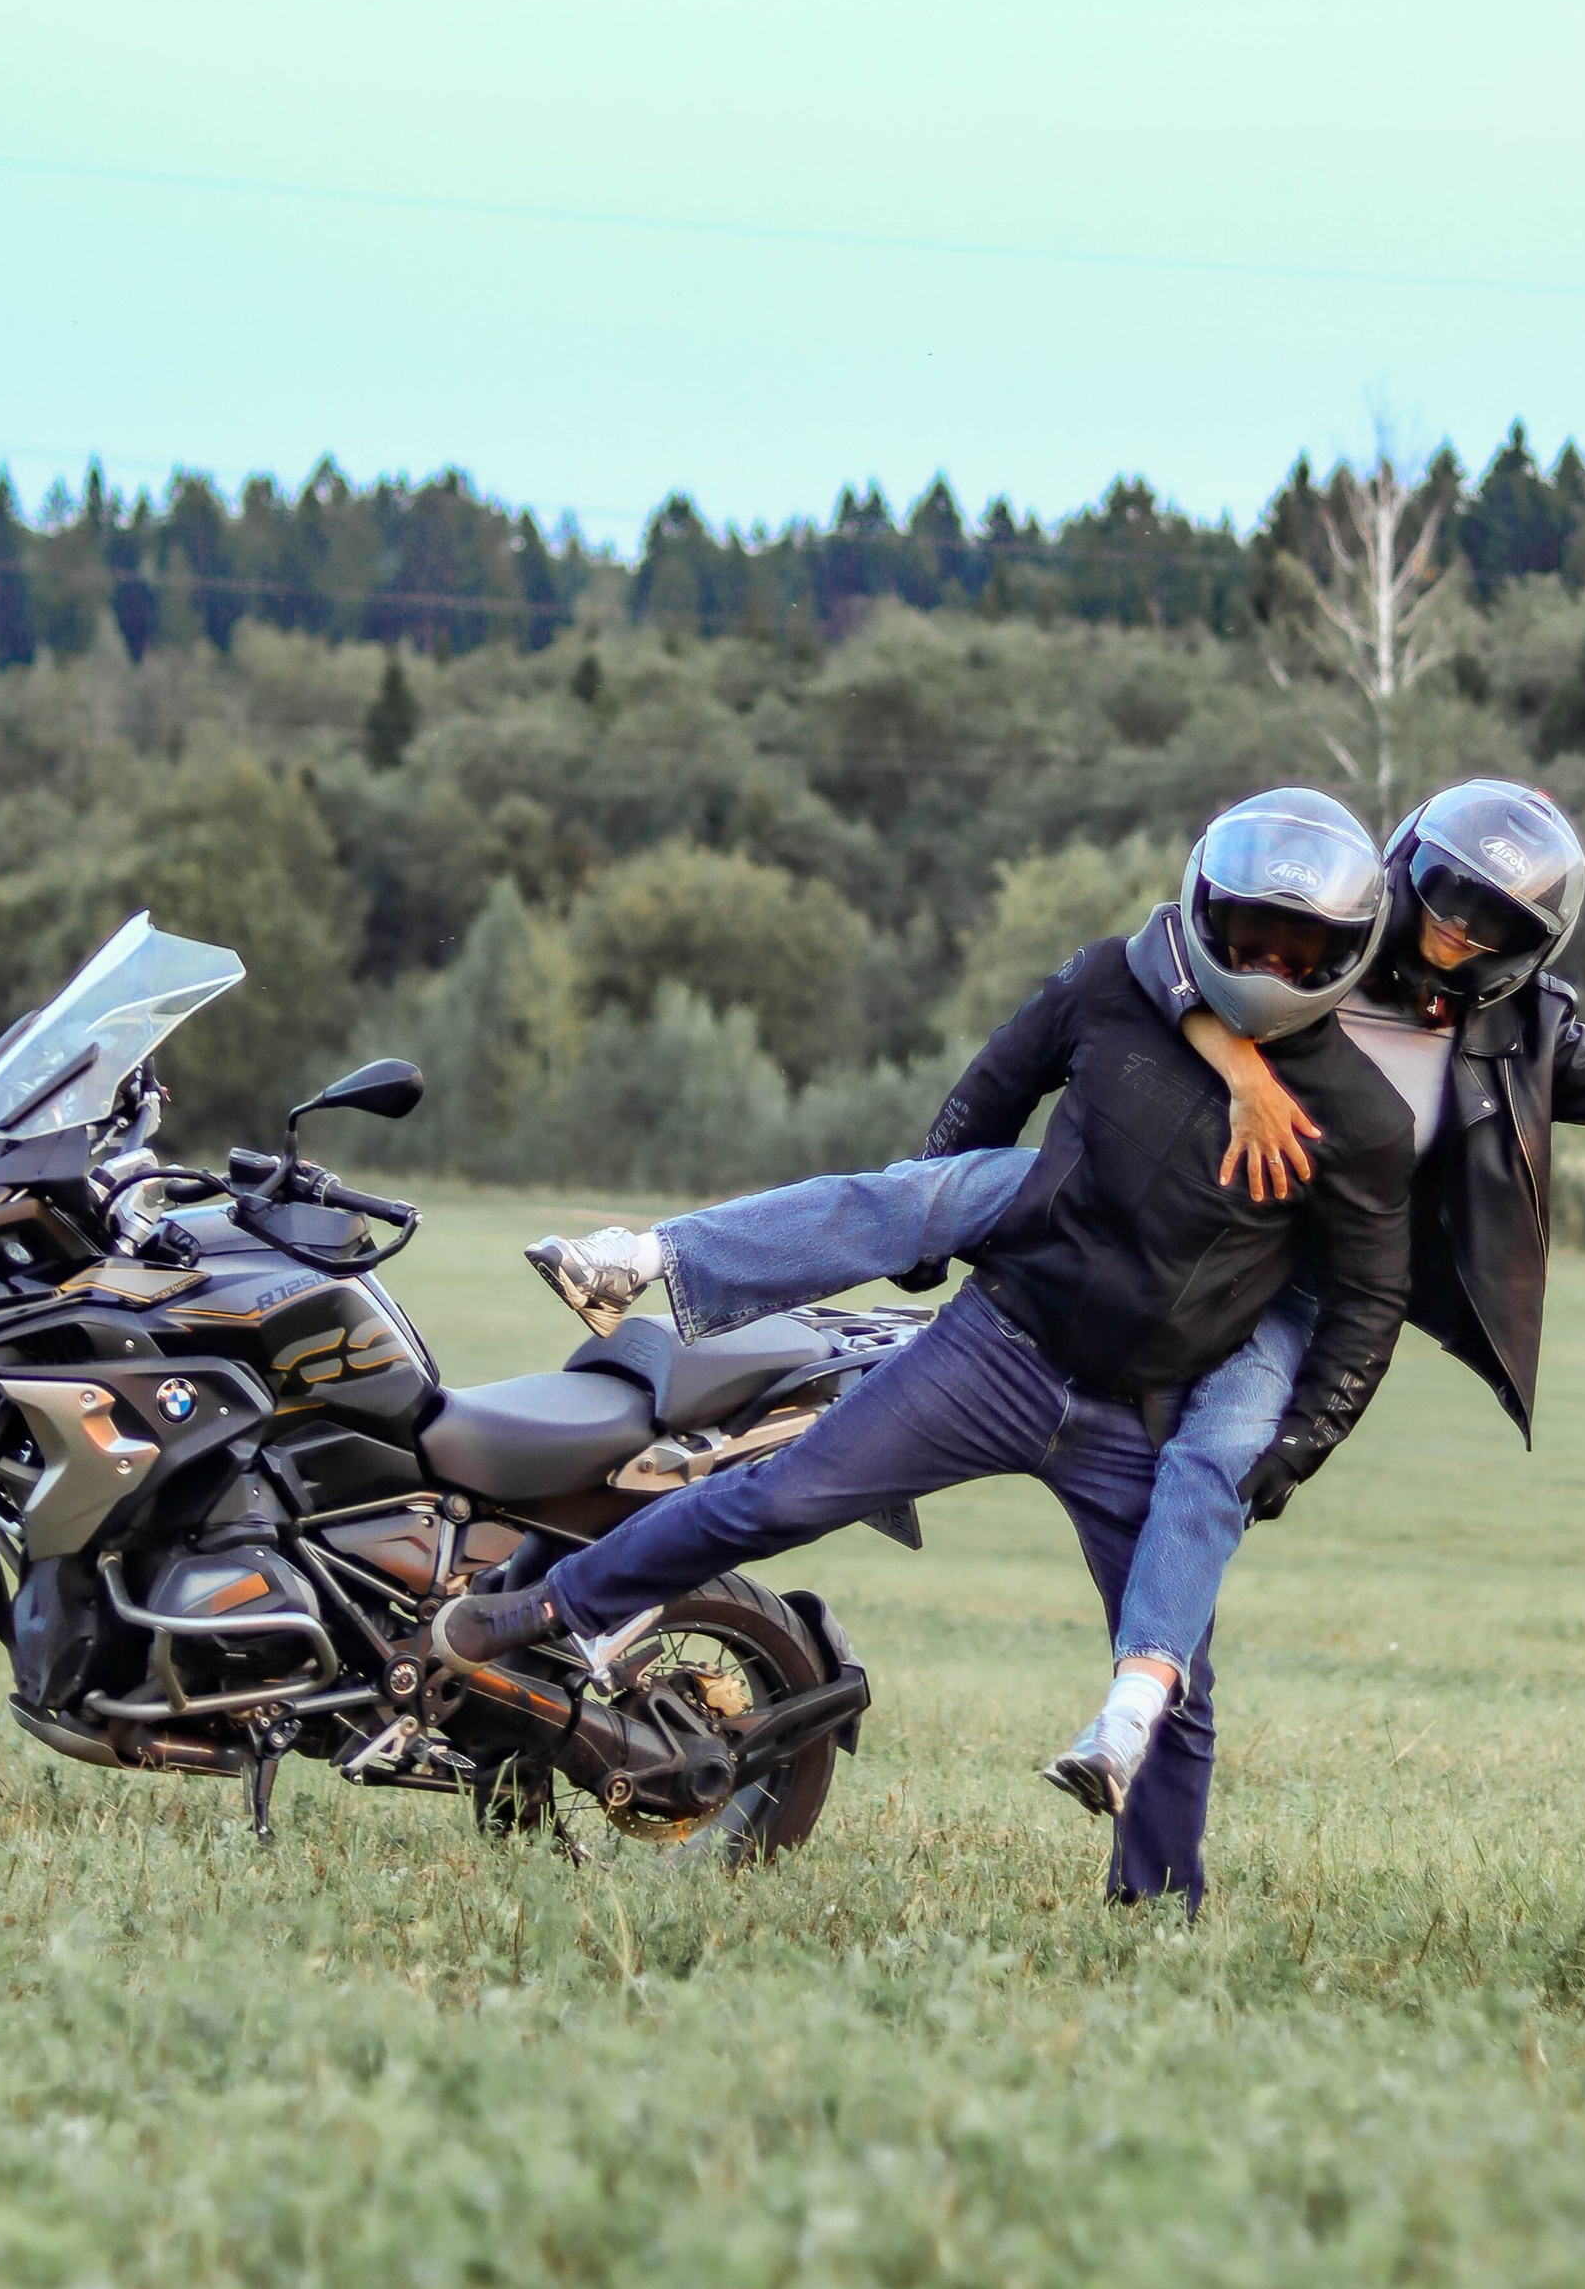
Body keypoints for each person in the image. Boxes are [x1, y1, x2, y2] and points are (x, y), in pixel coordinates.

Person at [511, 775, 1585, 1822]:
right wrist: (1226, 1056)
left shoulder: (1518, 1033)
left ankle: (1146, 1815)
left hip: (1286, 1298)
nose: (1458, 939)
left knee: (1206, 1503)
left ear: (1530, 947)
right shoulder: (1316, 926)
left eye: (1493, 929)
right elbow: (1164, 953)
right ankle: (640, 1312)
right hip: (1104, 1248)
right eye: (1450, 905)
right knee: (922, 1218)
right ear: (1407, 875)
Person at [430, 789, 1415, 1910]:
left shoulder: (1367, 1123)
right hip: (995, 1348)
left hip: (1144, 1414)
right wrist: (934, 1227)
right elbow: (991, 1091)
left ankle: (1157, 1909)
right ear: (1201, 909)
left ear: (1347, 956)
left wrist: (1303, 1441)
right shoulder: (1112, 985)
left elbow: (1370, 1297)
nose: (1268, 967)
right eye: (1244, 937)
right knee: (768, 1500)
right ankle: (550, 1611)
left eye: (1301, 952)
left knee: (1171, 1669)